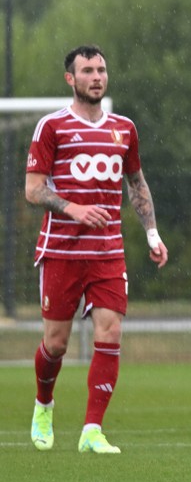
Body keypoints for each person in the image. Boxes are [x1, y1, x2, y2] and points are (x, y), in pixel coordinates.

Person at [26, 45, 169, 454]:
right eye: (87, 70)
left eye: (101, 70)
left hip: (108, 252)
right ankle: (44, 404)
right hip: (62, 251)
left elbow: (136, 183)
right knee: (56, 343)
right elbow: (33, 189)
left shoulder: (124, 128)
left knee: (110, 331)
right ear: (70, 79)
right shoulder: (52, 127)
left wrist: (152, 233)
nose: (96, 77)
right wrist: (73, 208)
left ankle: (92, 430)